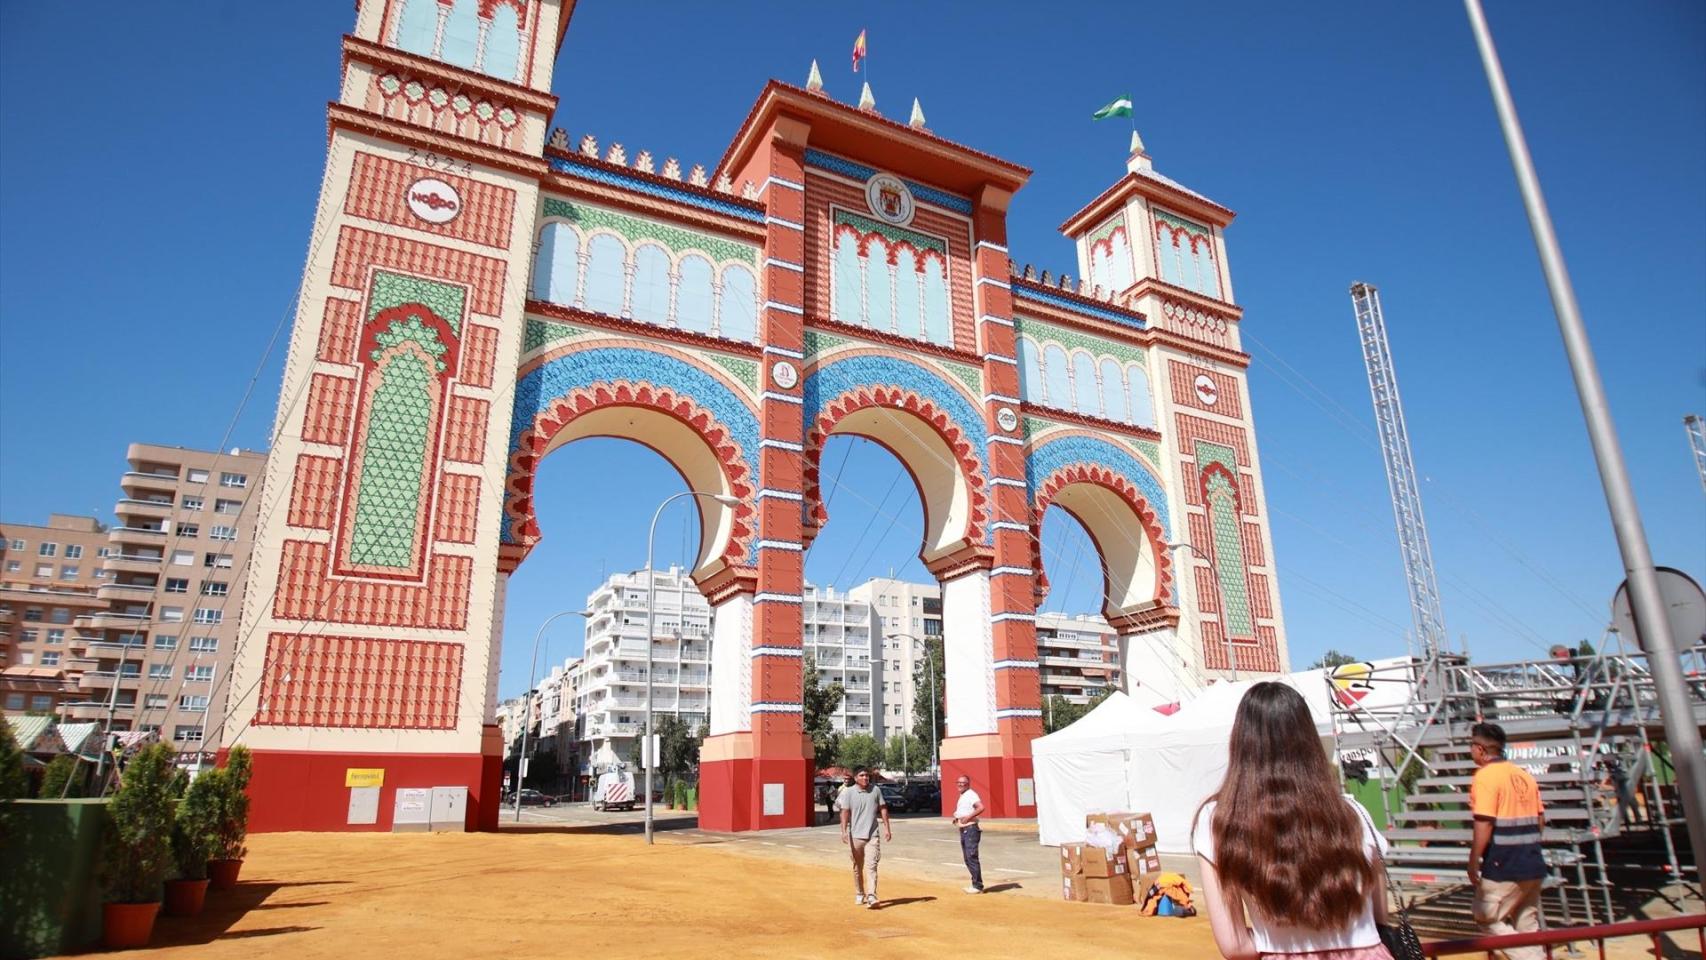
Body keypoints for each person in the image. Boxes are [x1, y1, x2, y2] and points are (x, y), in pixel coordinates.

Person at [1192, 682, 1395, 960]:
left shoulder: (1218, 819)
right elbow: (1379, 920)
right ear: (1308, 739)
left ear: (1241, 742)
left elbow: (1234, 945)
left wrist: (1278, 941)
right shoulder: (1356, 813)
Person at [1467, 722, 1547, 960]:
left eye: (1471, 745)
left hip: (1504, 864)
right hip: (1532, 860)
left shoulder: (1485, 777)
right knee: (1526, 923)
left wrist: (1473, 861)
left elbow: (1485, 822)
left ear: (1480, 749)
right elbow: (1540, 819)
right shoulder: (1523, 775)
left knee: (1487, 918)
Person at [837, 767, 891, 908]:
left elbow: (883, 808)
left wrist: (887, 828)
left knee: (872, 866)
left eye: (867, 775)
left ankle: (872, 895)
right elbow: (844, 812)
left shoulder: (876, 790)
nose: (865, 778)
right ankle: (860, 893)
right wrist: (843, 831)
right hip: (855, 836)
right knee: (857, 867)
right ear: (855, 778)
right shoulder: (848, 793)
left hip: (872, 835)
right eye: (862, 775)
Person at [951, 774, 985, 894]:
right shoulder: (963, 795)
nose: (960, 784)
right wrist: (958, 819)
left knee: (971, 857)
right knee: (967, 858)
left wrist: (968, 817)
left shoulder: (971, 794)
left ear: (968, 784)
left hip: (970, 829)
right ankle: (975, 884)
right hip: (964, 829)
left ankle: (977, 886)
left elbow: (981, 807)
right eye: (959, 782)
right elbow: (964, 811)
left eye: (963, 783)